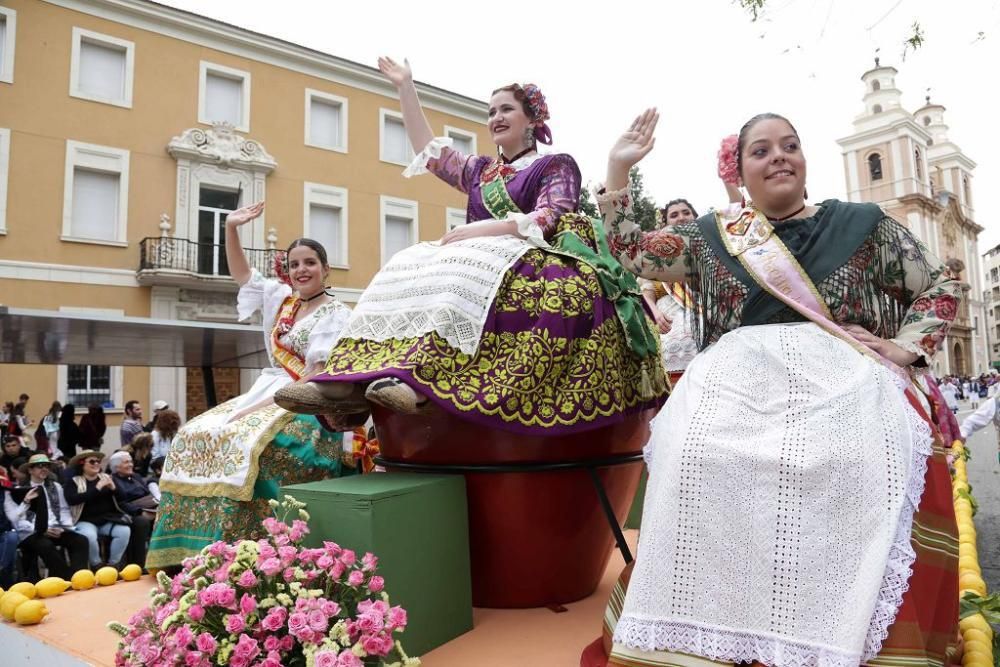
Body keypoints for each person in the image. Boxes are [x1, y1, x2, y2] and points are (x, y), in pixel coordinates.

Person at [586, 110, 961, 667]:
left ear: (805, 160)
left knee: (870, 456)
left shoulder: (862, 224)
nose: (778, 156)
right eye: (760, 151)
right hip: (737, 390)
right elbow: (632, 252)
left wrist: (905, 345)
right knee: (691, 455)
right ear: (741, 172)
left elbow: (940, 280)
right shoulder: (714, 236)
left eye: (790, 145)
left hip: (842, 384)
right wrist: (619, 169)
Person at [275, 57, 667, 433]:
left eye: (506, 109)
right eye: (491, 110)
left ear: (532, 119)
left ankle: (420, 382)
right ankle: (347, 380)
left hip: (528, 256)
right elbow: (428, 151)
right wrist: (405, 86)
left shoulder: (555, 164)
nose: (495, 117)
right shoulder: (480, 170)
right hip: (472, 255)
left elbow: (550, 216)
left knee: (460, 279)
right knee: (405, 262)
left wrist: (480, 231)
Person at [146, 213, 358, 570]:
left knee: (246, 442)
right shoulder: (281, 300)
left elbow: (315, 374)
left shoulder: (336, 313)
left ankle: (250, 552)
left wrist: (256, 409)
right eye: (294, 264)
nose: (301, 270)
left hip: (308, 397)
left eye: (310, 263)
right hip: (268, 386)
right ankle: (189, 552)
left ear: (325, 269)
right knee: (193, 432)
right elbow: (242, 274)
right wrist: (230, 228)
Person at [3, 453, 89, 580]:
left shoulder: (56, 486)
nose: (44, 469)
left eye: (47, 466)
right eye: (40, 466)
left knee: (80, 540)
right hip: (31, 532)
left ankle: (80, 577)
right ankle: (67, 579)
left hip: (55, 528)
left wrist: (65, 527)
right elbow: (18, 521)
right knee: (45, 545)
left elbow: (64, 510)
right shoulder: (19, 490)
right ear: (30, 470)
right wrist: (40, 528)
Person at [63, 450, 131, 568]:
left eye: (98, 461)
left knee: (124, 531)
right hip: (85, 521)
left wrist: (114, 488)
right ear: (82, 464)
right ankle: (97, 565)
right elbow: (72, 499)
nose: (96, 464)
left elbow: (123, 498)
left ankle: (113, 565)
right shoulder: (74, 481)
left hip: (107, 520)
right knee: (89, 536)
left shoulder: (106, 477)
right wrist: (97, 487)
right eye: (92, 461)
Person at [108, 451, 154, 571]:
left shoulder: (136, 477)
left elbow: (148, 494)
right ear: (116, 466)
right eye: (126, 462)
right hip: (127, 513)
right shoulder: (112, 480)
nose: (130, 465)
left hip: (148, 508)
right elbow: (119, 503)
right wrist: (140, 512)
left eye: (131, 461)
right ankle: (138, 565)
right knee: (141, 522)